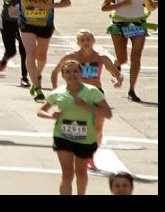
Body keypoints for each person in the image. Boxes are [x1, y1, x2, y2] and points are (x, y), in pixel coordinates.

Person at [0, 0, 71, 100]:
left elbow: (67, 2)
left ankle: (37, 74)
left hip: (45, 23)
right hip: (26, 23)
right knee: (31, 52)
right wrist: (9, 5)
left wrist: (49, 5)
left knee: (41, 56)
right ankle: (37, 87)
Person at [38, 59, 112, 195]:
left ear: (81, 73)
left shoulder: (92, 92)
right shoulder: (58, 93)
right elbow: (40, 111)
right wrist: (51, 116)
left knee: (81, 173)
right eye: (67, 72)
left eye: (75, 71)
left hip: (85, 138)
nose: (72, 74)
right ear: (63, 75)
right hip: (62, 136)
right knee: (67, 174)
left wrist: (87, 106)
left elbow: (108, 113)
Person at [102, 0, 156, 102]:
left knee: (136, 57)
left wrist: (154, 4)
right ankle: (116, 63)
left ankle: (132, 89)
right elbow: (104, 7)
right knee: (122, 59)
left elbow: (151, 6)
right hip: (119, 24)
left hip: (137, 24)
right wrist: (121, 4)